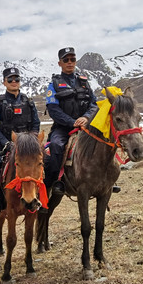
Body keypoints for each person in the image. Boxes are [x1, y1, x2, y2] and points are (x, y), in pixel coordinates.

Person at [43, 47, 104, 196]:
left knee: (105, 141)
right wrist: (72, 122)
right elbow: (53, 109)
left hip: (86, 126)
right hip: (63, 128)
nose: (70, 62)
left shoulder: (84, 82)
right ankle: (55, 182)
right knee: (56, 146)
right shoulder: (54, 84)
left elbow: (94, 104)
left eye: (72, 59)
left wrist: (86, 118)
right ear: (60, 63)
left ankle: (107, 180)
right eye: (66, 60)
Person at [0, 67, 41, 212]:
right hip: (5, 143)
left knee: (43, 162)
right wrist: (5, 143)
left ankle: (41, 196)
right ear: (4, 82)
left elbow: (36, 124)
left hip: (27, 146)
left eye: (16, 79)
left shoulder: (29, 102)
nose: (13, 81)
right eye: (10, 79)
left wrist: (31, 141)